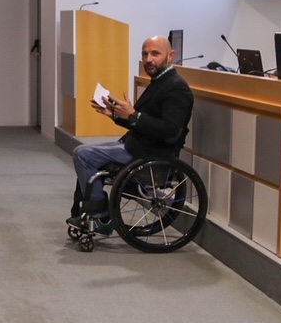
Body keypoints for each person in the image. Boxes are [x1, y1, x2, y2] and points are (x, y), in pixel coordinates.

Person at [67, 36, 194, 231]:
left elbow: (170, 132)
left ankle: (101, 216)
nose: (148, 59)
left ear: (171, 56)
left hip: (149, 154)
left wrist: (133, 115)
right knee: (88, 154)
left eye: (155, 54)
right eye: (145, 54)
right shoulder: (160, 81)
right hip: (136, 146)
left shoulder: (176, 88)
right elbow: (144, 123)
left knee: (82, 154)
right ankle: (91, 213)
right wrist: (116, 115)